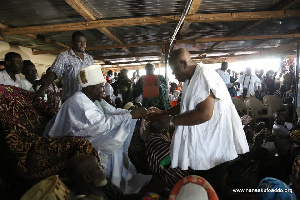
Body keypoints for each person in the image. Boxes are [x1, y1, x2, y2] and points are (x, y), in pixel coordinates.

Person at [147, 48, 249, 195]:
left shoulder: (203, 76)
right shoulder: (191, 79)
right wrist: (164, 112)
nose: (174, 75)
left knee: (210, 189)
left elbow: (204, 114)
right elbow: (185, 106)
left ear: (183, 63)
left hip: (214, 146)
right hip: (206, 146)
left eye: (174, 70)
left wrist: (170, 121)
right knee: (204, 188)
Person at [44, 65, 152, 194]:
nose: (104, 89)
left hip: (86, 136)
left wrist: (131, 112)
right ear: (90, 88)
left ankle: (118, 179)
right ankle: (113, 183)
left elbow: (112, 111)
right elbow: (100, 124)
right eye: (101, 87)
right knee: (112, 147)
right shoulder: (78, 102)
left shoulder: (95, 100)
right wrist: (130, 116)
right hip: (68, 143)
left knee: (115, 144)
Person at [35, 31, 94, 102]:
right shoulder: (64, 57)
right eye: (79, 41)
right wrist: (42, 89)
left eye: (84, 41)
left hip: (86, 100)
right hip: (70, 100)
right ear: (72, 42)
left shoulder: (89, 59)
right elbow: (53, 73)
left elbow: (93, 78)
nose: (83, 44)